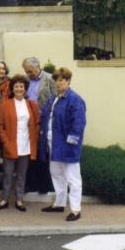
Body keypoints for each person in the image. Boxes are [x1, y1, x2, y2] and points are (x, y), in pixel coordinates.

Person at [39, 67, 86, 222]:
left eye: (61, 80)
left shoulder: (74, 99)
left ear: (68, 81)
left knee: (73, 178)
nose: (58, 83)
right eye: (56, 80)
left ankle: (75, 209)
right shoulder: (54, 98)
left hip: (67, 145)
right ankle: (59, 203)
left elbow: (78, 123)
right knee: (56, 173)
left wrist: (71, 143)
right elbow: (45, 115)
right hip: (53, 143)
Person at [0, 74, 40, 212]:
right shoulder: (5, 104)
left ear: (25, 89)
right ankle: (4, 199)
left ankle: (19, 200)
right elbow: (0, 126)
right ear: (12, 89)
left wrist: (34, 139)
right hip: (10, 144)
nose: (19, 89)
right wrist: (5, 142)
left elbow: (36, 124)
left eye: (22, 86)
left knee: (21, 175)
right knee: (7, 174)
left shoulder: (31, 104)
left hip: (26, 145)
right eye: (16, 86)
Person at [22, 57, 56, 194]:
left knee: (43, 152)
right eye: (26, 71)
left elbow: (55, 98)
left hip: (43, 120)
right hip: (29, 120)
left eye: (30, 71)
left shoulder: (50, 79)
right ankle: (31, 183)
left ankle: (44, 184)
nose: (28, 74)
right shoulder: (25, 80)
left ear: (38, 67)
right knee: (31, 152)